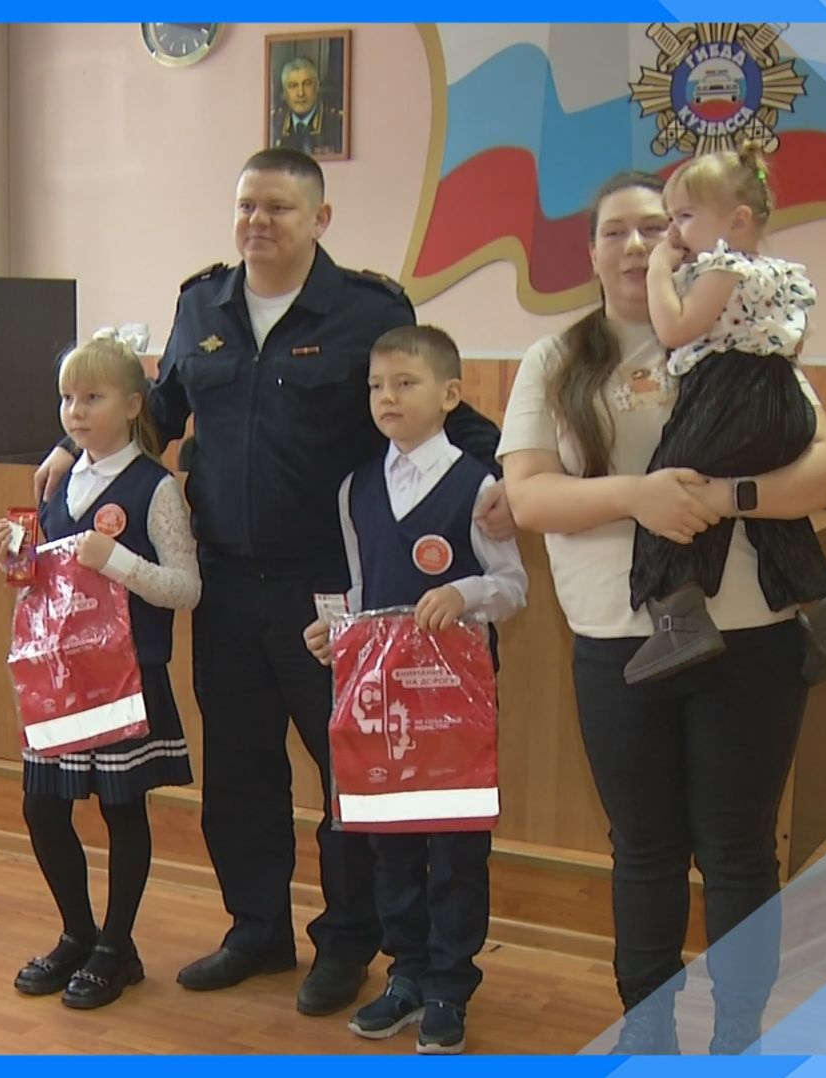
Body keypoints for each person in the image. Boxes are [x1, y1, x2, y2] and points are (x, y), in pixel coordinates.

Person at [30, 148, 514, 1018]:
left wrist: (505, 478)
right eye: (247, 205)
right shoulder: (202, 304)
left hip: (331, 589)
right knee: (241, 771)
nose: (259, 221)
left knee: (346, 771)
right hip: (225, 580)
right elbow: (160, 410)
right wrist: (74, 442)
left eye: (280, 208)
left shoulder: (367, 309)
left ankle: (348, 941)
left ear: (319, 219)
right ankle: (256, 928)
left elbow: (438, 410)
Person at [496, 171, 826, 1054]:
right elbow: (530, 498)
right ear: (590, 253)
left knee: (739, 849)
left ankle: (739, 1036)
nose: (637, 246)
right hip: (617, 644)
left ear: (695, 240)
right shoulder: (556, 359)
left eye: (657, 227)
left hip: (750, 638)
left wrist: (723, 499)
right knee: (644, 848)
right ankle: (648, 1028)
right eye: (615, 231)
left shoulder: (744, 337)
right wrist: (639, 496)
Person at [301, 325, 528, 1055]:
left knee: (456, 849)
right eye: (376, 386)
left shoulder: (479, 485)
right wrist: (335, 633)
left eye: (406, 383)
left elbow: (513, 587)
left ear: (450, 393)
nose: (387, 398)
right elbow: (360, 589)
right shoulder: (356, 487)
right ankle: (405, 973)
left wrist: (465, 593)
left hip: (455, 701)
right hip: (381, 700)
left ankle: (450, 985)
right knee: (390, 843)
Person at [0, 330, 200, 1010]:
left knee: (121, 809)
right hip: (62, 681)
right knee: (42, 807)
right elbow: (48, 585)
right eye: (67, 399)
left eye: (93, 398)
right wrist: (14, 560)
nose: (75, 412)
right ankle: (77, 932)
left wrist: (120, 562)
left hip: (127, 678)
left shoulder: (155, 488)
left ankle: (117, 946)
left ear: (133, 405)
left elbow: (187, 589)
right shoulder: (58, 480)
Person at [626, 143, 826, 686]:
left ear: (737, 221)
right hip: (781, 399)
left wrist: (658, 272)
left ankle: (680, 616)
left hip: (730, 394)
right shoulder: (774, 272)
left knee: (669, 487)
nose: (672, 234)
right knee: (772, 514)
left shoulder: (721, 268)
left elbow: (674, 329)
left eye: (684, 217)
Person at [270, 56, 344, 157]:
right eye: (293, 86)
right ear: (284, 92)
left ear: (317, 86)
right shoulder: (273, 124)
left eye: (307, 84)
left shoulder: (338, 124)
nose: (301, 93)